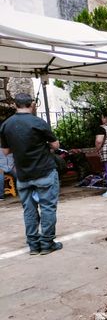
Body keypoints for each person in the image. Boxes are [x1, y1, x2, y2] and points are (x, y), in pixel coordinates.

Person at [0, 93, 62, 255]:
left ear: (15, 105)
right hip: (44, 171)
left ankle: (33, 245)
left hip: (23, 174)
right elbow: (55, 145)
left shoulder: (6, 125)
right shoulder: (38, 122)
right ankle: (47, 243)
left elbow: (6, 151)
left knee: (29, 210)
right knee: (47, 207)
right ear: (32, 104)